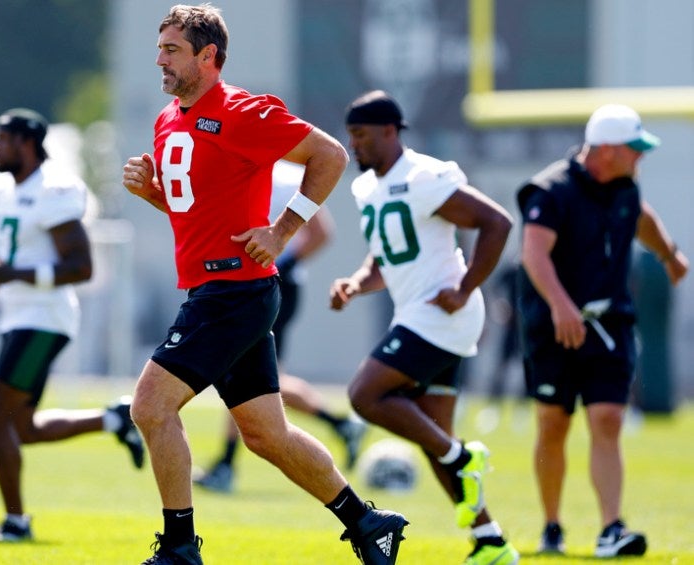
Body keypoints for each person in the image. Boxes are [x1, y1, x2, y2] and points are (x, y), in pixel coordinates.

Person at [122, 6, 407, 564]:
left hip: (235, 292)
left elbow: (330, 155)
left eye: (172, 50)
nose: (160, 59)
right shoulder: (168, 119)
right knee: (266, 436)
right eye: (160, 48)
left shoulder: (241, 110)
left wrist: (282, 230)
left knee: (150, 407)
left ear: (208, 57)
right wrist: (152, 195)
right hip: (217, 291)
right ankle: (368, 522)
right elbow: (195, 213)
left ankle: (180, 548)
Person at [329, 90, 519, 565]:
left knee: (364, 395)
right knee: (431, 431)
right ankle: (490, 541)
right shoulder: (366, 187)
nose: (354, 145)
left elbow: (496, 222)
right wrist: (356, 282)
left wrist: (465, 286)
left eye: (361, 135)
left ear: (390, 132)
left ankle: (460, 456)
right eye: (350, 135)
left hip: (442, 312)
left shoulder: (424, 176)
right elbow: (390, 253)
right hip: (419, 312)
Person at [0, 108, 145, 543]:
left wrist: (12, 276)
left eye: (1, 139)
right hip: (18, 315)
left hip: (44, 318)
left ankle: (15, 522)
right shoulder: (7, 193)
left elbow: (81, 268)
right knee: (21, 427)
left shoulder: (55, 190)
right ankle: (113, 419)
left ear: (26, 143)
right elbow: (14, 261)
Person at [517, 103, 688, 558]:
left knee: (608, 419)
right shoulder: (552, 190)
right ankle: (552, 526)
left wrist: (669, 254)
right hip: (553, 324)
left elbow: (641, 217)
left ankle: (611, 528)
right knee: (554, 423)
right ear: (609, 149)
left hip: (609, 321)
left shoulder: (624, 186)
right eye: (635, 149)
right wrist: (561, 306)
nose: (641, 157)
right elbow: (534, 254)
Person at [193, 160, 366, 494]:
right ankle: (341, 425)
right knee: (263, 378)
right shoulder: (233, 166)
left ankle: (227, 466)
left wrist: (280, 261)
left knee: (239, 372)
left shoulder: (287, 176)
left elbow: (321, 234)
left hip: (275, 286)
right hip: (244, 286)